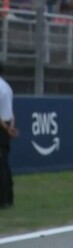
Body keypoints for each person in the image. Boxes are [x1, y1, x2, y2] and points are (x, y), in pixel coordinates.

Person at [0, 62, 18, 210]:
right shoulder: (6, 87)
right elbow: (10, 112)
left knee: (1, 165)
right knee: (4, 163)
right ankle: (7, 198)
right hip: (6, 125)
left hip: (2, 127)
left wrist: (5, 128)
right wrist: (10, 127)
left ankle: (3, 199)